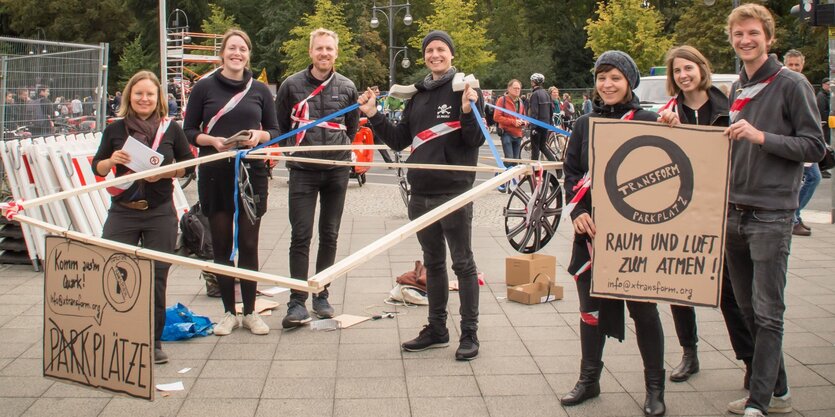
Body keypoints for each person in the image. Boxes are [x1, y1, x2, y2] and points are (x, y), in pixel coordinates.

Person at [723, 5, 825, 416]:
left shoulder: (791, 83)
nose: (745, 40)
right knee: (748, 308)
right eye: (738, 35)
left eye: (752, 33)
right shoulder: (736, 88)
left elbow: (815, 147)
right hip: (735, 211)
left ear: (769, 37)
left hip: (771, 213)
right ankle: (777, 386)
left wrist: (762, 136)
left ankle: (760, 401)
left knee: (768, 311)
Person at [358, 30, 485, 361]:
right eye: (430, 50)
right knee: (433, 263)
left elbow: (474, 141)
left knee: (463, 263)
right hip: (420, 192)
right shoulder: (418, 94)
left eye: (441, 49)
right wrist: (374, 115)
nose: (435, 55)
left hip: (453, 191)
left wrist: (469, 110)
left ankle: (469, 333)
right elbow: (400, 140)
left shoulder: (466, 88)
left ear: (451, 54)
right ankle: (437, 329)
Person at [561, 50, 666, 417]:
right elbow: (571, 173)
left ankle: (655, 388)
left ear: (629, 82)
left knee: (644, 312)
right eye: (602, 77)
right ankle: (589, 379)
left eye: (615, 78)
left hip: (636, 237)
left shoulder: (650, 119)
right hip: (591, 234)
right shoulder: (583, 124)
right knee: (588, 310)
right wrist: (578, 211)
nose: (607, 84)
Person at [657, 45, 756, 386]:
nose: (683, 76)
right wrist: (666, 130)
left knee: (731, 290)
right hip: (683, 209)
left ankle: (749, 359)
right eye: (677, 72)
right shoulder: (670, 111)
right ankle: (689, 352)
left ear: (701, 68)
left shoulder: (729, 107)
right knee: (678, 287)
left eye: (688, 69)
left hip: (723, 208)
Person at [92, 70, 194, 364]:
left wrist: (168, 170)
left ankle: (153, 341)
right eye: (139, 94)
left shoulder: (170, 128)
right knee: (113, 273)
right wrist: (111, 161)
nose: (144, 99)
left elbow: (190, 165)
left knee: (156, 277)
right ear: (129, 97)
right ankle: (115, 336)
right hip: (123, 212)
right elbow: (97, 168)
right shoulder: (115, 129)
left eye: (150, 94)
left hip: (160, 213)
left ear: (158, 98)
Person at [183, 28, 280, 336]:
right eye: (232, 48)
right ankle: (228, 311)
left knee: (249, 244)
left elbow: (276, 130)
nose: (237, 53)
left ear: (248, 54)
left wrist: (260, 136)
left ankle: (250, 311)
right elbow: (187, 131)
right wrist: (210, 140)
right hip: (215, 171)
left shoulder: (260, 90)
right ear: (222, 53)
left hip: (251, 172)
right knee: (222, 245)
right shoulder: (204, 87)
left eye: (242, 49)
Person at [275, 28, 359, 329]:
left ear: (336, 53)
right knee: (300, 235)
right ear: (311, 52)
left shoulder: (347, 86)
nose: (324, 53)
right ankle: (297, 301)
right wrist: (293, 155)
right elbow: (280, 125)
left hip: (336, 172)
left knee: (331, 234)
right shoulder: (291, 85)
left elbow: (351, 128)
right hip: (303, 173)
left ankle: (321, 293)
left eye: (329, 49)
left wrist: (338, 155)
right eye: (319, 48)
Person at [780, 50, 819, 237]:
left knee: (813, 178)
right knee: (811, 178)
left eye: (797, 64)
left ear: (803, 64)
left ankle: (795, 215)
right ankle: (794, 216)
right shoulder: (786, 84)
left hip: (803, 144)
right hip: (792, 144)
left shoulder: (803, 83)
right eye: (791, 64)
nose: (794, 68)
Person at [493, 79, 525, 192]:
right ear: (509, 89)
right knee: (509, 159)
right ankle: (500, 179)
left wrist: (524, 122)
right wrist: (513, 122)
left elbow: (524, 116)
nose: (517, 90)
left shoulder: (520, 102)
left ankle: (511, 186)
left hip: (518, 133)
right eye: (515, 88)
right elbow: (496, 117)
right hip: (506, 132)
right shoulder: (502, 100)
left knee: (515, 161)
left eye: (519, 88)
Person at [528, 74, 556, 161]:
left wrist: (533, 127)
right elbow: (551, 110)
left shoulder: (535, 94)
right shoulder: (546, 93)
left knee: (535, 150)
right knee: (542, 147)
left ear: (534, 82)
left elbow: (534, 112)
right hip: (545, 124)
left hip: (537, 125)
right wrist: (550, 123)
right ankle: (555, 164)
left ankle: (535, 171)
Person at [817, 78, 831, 178]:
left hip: (825, 123)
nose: (829, 86)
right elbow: (822, 110)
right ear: (823, 85)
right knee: (824, 144)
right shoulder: (821, 96)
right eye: (828, 84)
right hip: (824, 124)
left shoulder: (826, 95)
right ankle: (822, 167)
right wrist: (824, 121)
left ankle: (824, 167)